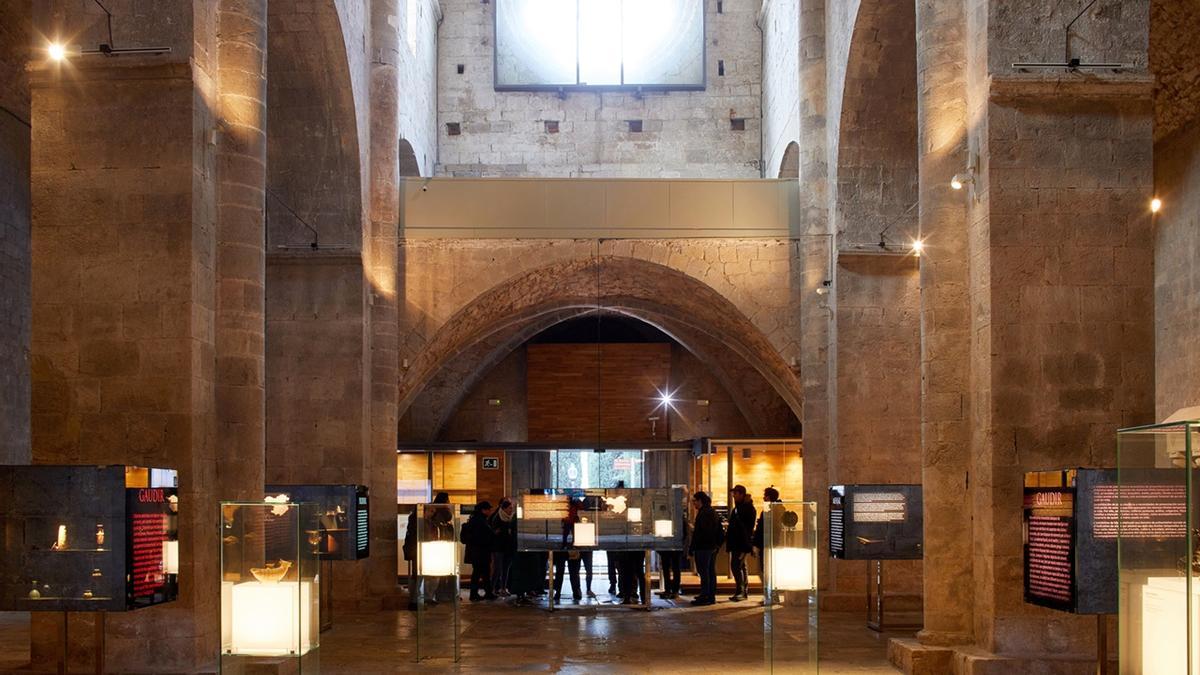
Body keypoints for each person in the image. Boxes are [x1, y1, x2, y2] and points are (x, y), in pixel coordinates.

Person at [405, 491, 450, 610]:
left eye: (433, 512)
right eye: (431, 511)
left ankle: (425, 598)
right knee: (419, 576)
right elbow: (420, 536)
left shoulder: (428, 522)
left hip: (426, 551)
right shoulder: (418, 522)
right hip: (419, 552)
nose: (432, 514)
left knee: (428, 576)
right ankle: (415, 601)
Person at [689, 491, 722, 606]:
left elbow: (700, 533)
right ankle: (709, 595)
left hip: (704, 547)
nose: (694, 504)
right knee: (710, 572)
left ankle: (706, 596)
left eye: (695, 501)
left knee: (704, 572)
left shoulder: (704, 513)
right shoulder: (711, 512)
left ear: (700, 500)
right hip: (711, 547)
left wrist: (692, 547)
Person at [726, 484, 756, 601]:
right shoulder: (738, 508)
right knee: (740, 566)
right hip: (737, 542)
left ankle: (741, 591)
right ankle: (742, 591)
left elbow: (746, 528)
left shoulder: (746, 508)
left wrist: (746, 545)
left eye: (735, 493)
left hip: (741, 543)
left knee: (736, 566)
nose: (733, 495)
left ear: (742, 494)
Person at [461, 501, 496, 601]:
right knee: (478, 573)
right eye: (488, 509)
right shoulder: (479, 521)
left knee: (482, 573)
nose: (490, 511)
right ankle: (475, 594)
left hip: (477, 552)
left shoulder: (476, 519)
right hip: (480, 552)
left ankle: (486, 593)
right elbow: (482, 537)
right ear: (483, 510)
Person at [489, 497, 518, 596]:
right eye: (510, 508)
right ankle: (492, 589)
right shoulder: (497, 517)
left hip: (508, 547)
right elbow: (495, 532)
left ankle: (503, 588)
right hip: (498, 548)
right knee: (497, 569)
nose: (511, 510)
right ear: (504, 508)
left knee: (506, 569)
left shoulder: (511, 518)